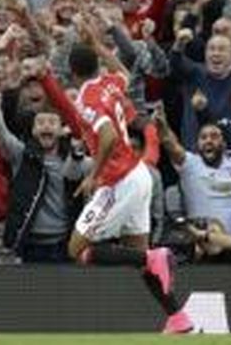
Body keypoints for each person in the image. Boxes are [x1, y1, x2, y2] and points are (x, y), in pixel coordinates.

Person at [45, 39, 193, 334]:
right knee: (142, 263)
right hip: (138, 174)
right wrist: (97, 43)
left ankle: (154, 256)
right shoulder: (110, 83)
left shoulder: (86, 100)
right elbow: (123, 70)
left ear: (71, 72)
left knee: (78, 248)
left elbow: (109, 136)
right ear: (96, 65)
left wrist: (93, 174)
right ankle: (177, 317)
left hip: (119, 180)